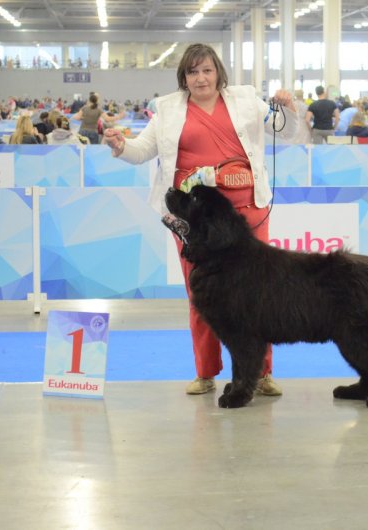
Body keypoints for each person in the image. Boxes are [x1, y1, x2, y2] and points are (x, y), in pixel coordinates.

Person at [103, 43, 299, 396]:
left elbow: (284, 131)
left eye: (207, 70)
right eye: (193, 72)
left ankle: (262, 373)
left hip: (248, 210)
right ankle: (206, 372)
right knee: (202, 294)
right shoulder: (167, 110)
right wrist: (119, 146)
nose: (200, 78)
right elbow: (141, 151)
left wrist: (288, 107)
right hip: (195, 219)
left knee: (259, 294)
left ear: (218, 72)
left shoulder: (246, 100)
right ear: (184, 77)